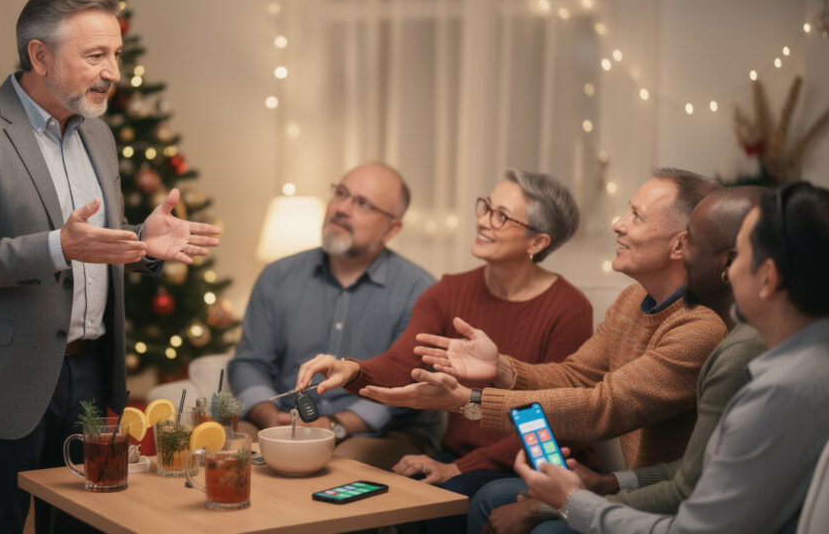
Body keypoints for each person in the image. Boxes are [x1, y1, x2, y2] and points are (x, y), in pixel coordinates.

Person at [0, 0, 220, 534]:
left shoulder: (98, 136)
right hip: (1, 383)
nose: (115, 73)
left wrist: (140, 242)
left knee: (87, 524)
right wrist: (57, 246)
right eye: (96, 56)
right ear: (40, 55)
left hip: (90, 374)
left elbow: (88, 240)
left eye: (117, 56)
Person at [358, 168, 727, 486]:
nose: (618, 224)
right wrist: (501, 367)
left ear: (679, 245)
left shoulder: (698, 329)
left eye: (636, 216)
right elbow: (576, 375)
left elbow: (603, 407)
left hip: (655, 494)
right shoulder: (631, 301)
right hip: (626, 486)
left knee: (482, 495)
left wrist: (470, 402)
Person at [514, 181, 829, 534]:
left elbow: (692, 526)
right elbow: (699, 473)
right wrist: (606, 485)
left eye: (737, 255)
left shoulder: (777, 390)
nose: (686, 258)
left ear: (768, 277)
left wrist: (571, 503)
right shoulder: (800, 363)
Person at [295, 169, 593, 533]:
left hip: (532, 463)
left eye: (501, 216)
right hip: (460, 454)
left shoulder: (569, 309)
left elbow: (554, 419)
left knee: (450, 494)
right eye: (485, 207)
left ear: (537, 242)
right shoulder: (449, 291)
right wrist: (350, 369)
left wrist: (459, 469)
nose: (482, 221)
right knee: (402, 494)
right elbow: (402, 362)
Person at [227, 162, 440, 469]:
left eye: (363, 204)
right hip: (288, 423)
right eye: (341, 194)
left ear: (391, 229)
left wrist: (336, 424)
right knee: (230, 448)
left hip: (383, 432)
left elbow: (406, 389)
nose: (342, 208)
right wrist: (269, 415)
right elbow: (249, 362)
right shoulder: (278, 276)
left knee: (338, 466)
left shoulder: (420, 291)